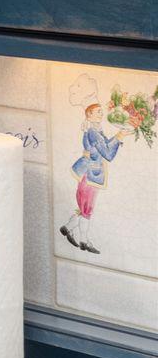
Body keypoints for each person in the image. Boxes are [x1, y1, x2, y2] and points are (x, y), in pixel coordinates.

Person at [61, 102, 127, 255]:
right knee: (87, 209)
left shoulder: (95, 130)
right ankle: (84, 241)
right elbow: (108, 155)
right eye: (97, 112)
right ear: (89, 115)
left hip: (89, 172)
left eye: (101, 112)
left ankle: (67, 228)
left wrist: (119, 136)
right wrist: (119, 137)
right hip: (90, 174)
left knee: (85, 207)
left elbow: (105, 147)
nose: (101, 114)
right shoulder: (93, 132)